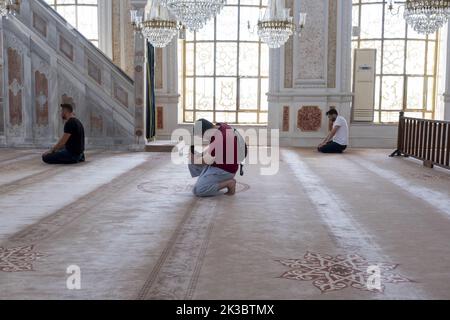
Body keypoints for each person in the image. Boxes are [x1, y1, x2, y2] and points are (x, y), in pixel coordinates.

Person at [189, 119, 239, 197]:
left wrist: (192, 157)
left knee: (198, 190)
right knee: (193, 161)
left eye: (202, 136)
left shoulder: (220, 139)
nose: (203, 138)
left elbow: (204, 161)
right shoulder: (222, 126)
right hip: (222, 163)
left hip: (225, 170)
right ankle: (206, 180)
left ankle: (229, 183)